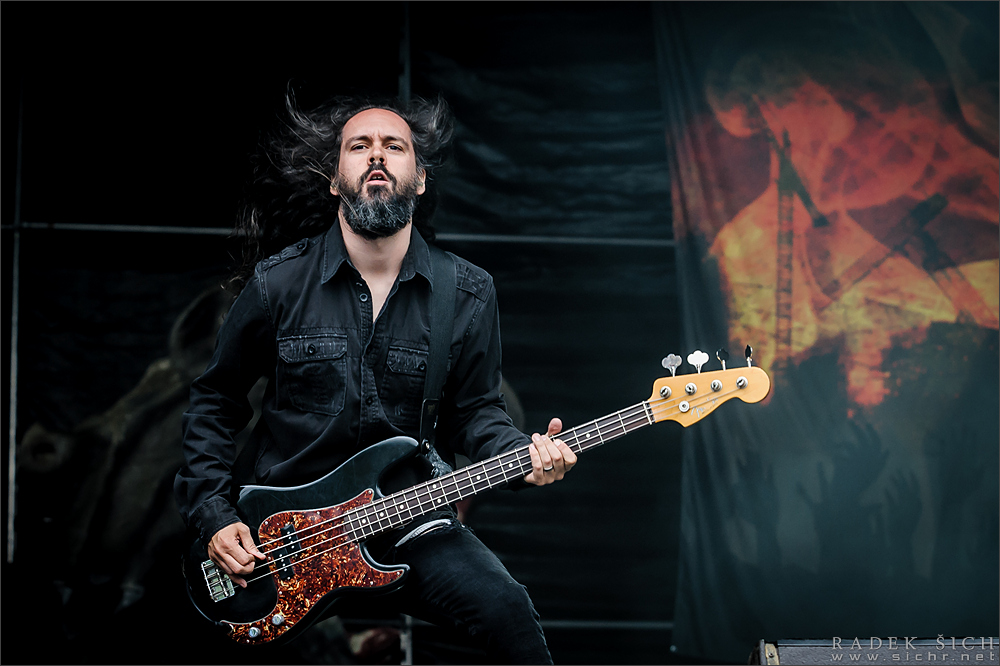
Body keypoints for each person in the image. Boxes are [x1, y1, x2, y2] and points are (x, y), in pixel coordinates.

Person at [173, 92, 576, 664]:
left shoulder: (466, 292)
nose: (377, 155)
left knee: (510, 614)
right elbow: (214, 402)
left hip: (408, 519)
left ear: (421, 178)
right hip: (281, 541)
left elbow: (476, 412)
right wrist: (217, 516)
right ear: (335, 179)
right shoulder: (278, 284)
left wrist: (524, 456)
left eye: (395, 146)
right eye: (359, 146)